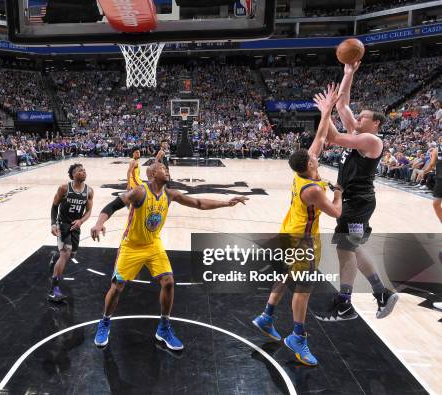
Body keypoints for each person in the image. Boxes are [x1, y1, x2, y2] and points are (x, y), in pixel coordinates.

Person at [90, 162, 248, 350]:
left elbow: (198, 203)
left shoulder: (170, 194)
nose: (167, 170)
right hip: (131, 246)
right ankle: (105, 322)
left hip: (153, 244)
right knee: (117, 287)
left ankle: (164, 327)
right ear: (152, 174)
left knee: (169, 282)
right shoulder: (139, 192)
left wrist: (226, 203)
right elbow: (112, 205)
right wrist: (99, 223)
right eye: (163, 169)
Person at [252, 84, 343, 366]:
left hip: (287, 233)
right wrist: (339, 191)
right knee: (303, 290)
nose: (316, 154)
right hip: (303, 241)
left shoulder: (303, 172)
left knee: (284, 277)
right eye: (313, 156)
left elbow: (319, 136)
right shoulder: (313, 190)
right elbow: (336, 213)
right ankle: (298, 337)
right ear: (309, 165)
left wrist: (326, 111)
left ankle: (266, 317)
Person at [315, 61, 397, 322]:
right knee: (350, 247)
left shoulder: (370, 140)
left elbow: (334, 138)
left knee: (345, 248)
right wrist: (348, 73)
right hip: (355, 202)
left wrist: (325, 113)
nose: (356, 117)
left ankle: (347, 303)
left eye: (363, 117)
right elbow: (342, 104)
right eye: (357, 115)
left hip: (357, 202)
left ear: (376, 124)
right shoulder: (359, 133)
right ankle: (378, 293)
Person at [49, 164, 93, 302]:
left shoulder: (89, 191)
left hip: (76, 225)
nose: (83, 172)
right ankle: (54, 290)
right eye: (80, 170)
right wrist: (53, 224)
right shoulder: (64, 188)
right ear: (73, 175)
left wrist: (81, 221)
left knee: (71, 254)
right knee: (66, 253)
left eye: (84, 170)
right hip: (63, 224)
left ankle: (54, 257)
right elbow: (54, 206)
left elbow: (89, 212)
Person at [433, 144, 442, 222]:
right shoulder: (437, 150)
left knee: (436, 203)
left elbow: (431, 164)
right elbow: (432, 164)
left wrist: (424, 171)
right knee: (436, 203)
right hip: (440, 179)